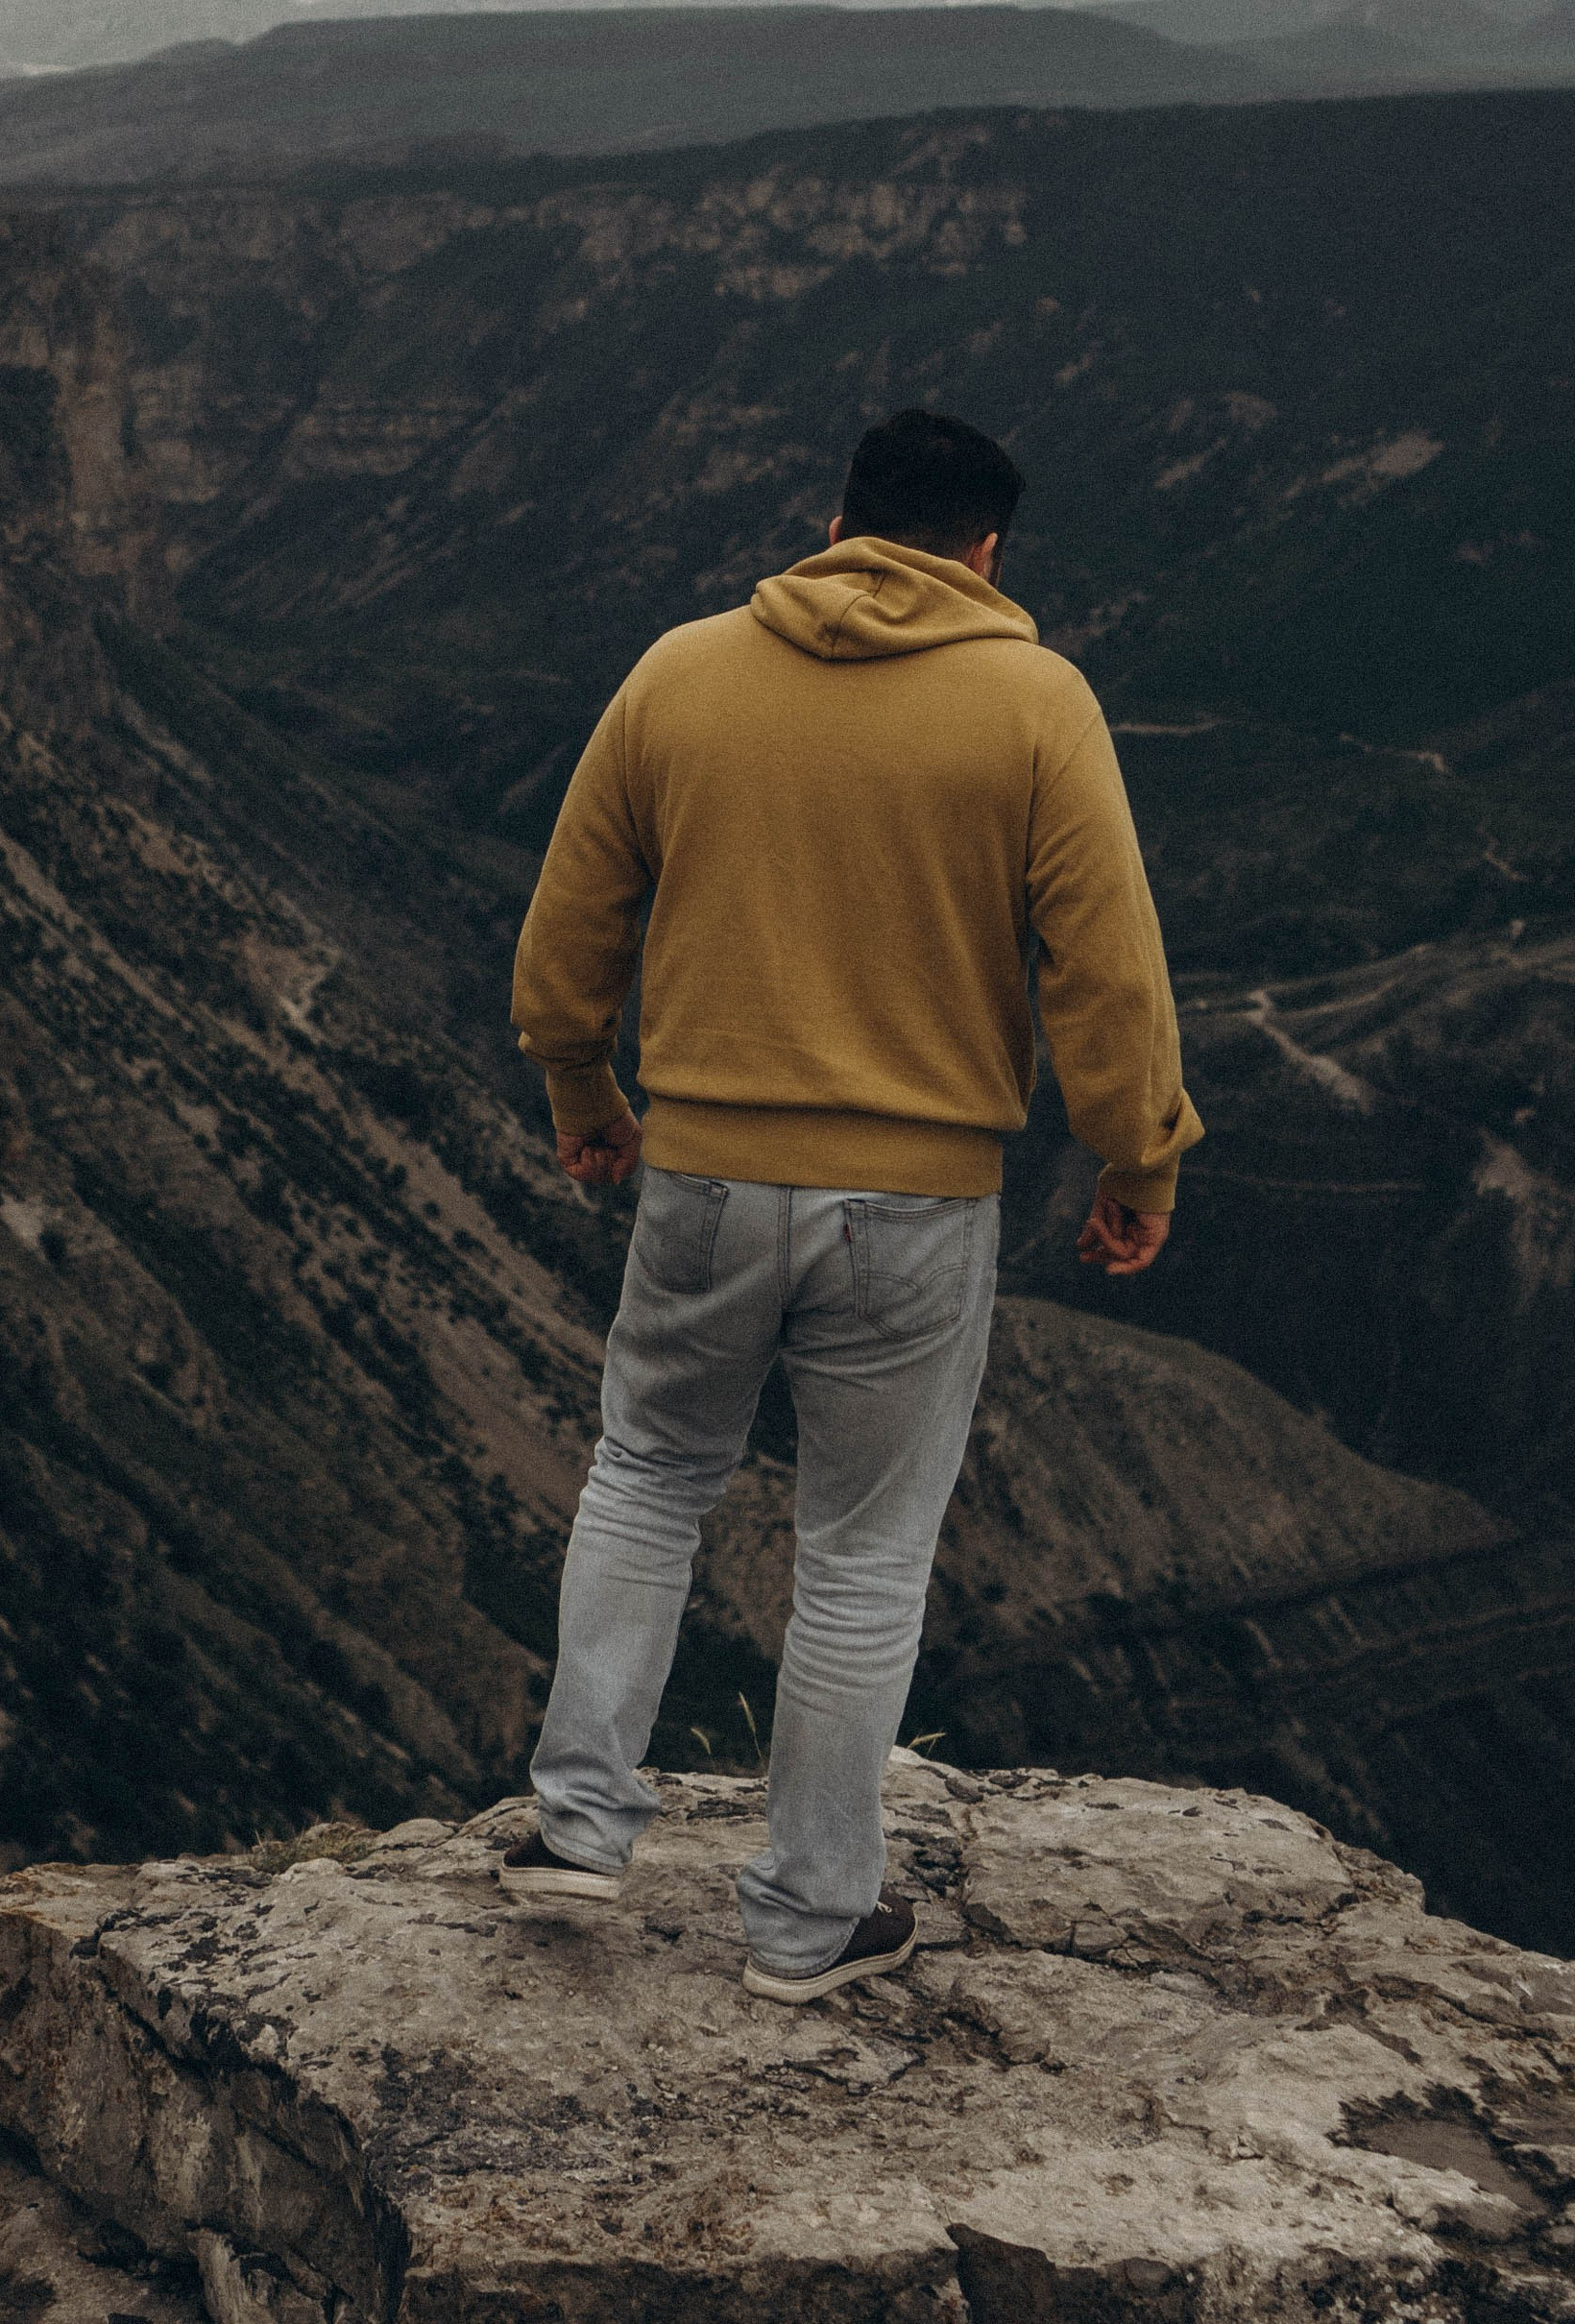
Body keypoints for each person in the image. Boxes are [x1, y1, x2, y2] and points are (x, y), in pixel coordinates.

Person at [498, 407, 1201, 2000]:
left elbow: (568, 933)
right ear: (988, 552)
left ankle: (579, 1828)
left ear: (836, 527)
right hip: (916, 1200)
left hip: (699, 1171)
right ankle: (813, 1919)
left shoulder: (680, 672)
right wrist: (1135, 1159)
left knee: (648, 1474)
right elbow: (1108, 972)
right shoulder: (1037, 702)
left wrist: (583, 1095)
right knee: (865, 1559)